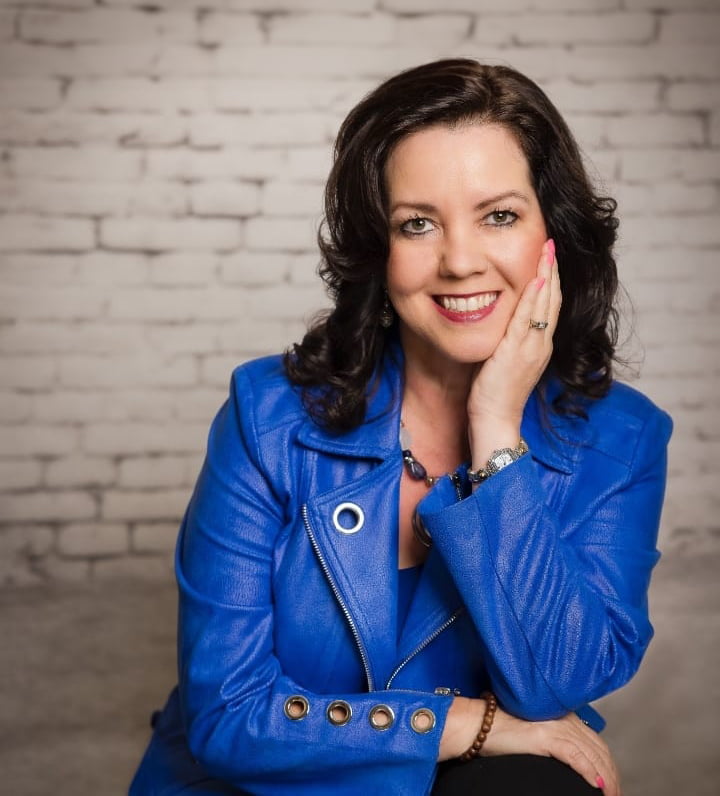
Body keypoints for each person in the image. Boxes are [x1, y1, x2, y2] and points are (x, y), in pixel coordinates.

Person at [130, 59, 671, 796]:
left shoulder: (623, 441)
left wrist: (496, 432)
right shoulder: (268, 418)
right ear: (377, 253)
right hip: (248, 789)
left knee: (536, 784)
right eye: (417, 224)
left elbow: (554, 685)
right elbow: (230, 716)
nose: (458, 261)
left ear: (555, 235)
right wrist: (468, 726)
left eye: (499, 216)